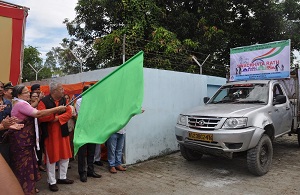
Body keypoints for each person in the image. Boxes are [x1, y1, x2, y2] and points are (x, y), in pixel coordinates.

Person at [9, 84, 66, 195]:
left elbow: (32, 108)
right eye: (25, 92)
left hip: (25, 140)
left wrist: (38, 100)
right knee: (24, 167)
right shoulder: (20, 104)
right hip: (22, 140)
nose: (28, 94)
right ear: (19, 95)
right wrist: (57, 109)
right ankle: (24, 189)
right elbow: (38, 113)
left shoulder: (20, 103)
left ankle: (27, 187)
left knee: (28, 164)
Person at [37, 82, 74, 192]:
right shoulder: (43, 101)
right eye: (61, 89)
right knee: (51, 158)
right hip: (50, 134)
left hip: (63, 132)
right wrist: (56, 113)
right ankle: (51, 181)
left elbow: (69, 112)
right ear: (54, 91)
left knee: (65, 156)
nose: (63, 91)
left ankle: (62, 177)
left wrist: (57, 118)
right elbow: (41, 117)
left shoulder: (64, 100)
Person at [75, 85, 101, 182]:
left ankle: (91, 170)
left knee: (91, 151)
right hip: (82, 130)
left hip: (92, 129)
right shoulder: (79, 101)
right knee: (82, 152)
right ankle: (82, 172)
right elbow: (83, 114)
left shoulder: (94, 102)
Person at [0, 81, 13, 164]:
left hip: (5, 135)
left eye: (1, 87)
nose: (0, 89)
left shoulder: (8, 103)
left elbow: (10, 117)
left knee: (5, 160)